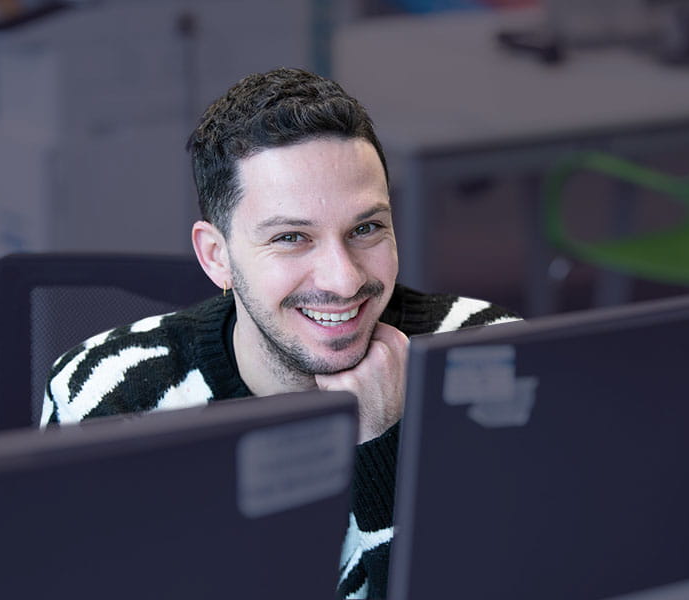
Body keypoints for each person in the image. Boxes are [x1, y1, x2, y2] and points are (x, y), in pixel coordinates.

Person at [40, 67, 518, 598]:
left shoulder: (485, 361)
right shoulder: (114, 397)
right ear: (216, 256)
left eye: (366, 228)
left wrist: (382, 444)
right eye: (292, 237)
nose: (345, 279)